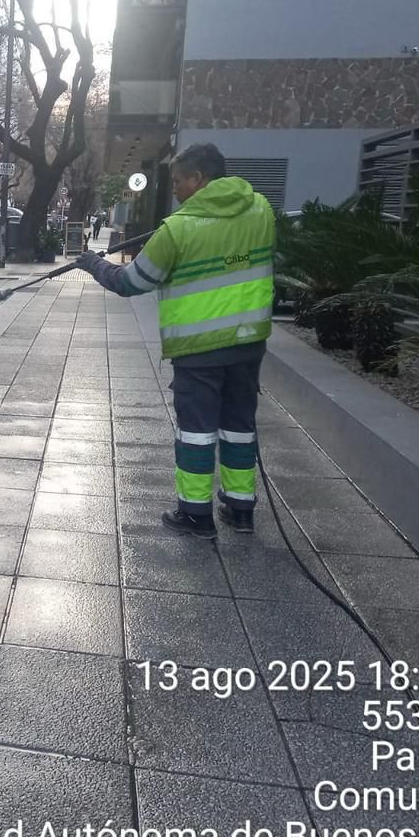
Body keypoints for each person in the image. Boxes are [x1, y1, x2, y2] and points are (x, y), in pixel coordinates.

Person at [76, 143, 274, 540]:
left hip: (199, 349)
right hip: (248, 341)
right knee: (239, 426)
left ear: (199, 179)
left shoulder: (178, 229)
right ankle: (240, 510)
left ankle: (196, 513)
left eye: (180, 180)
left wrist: (92, 263)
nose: (176, 189)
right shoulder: (261, 211)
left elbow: (130, 282)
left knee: (197, 432)